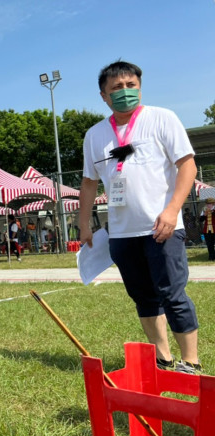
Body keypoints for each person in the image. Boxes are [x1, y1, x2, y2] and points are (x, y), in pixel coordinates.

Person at [79, 60, 201, 374]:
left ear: (140, 87)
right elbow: (89, 182)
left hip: (161, 226)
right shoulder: (95, 135)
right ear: (104, 96)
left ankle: (191, 362)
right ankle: (163, 358)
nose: (125, 92)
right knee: (143, 297)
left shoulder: (162, 119)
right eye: (116, 88)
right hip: (121, 234)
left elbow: (187, 166)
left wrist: (172, 210)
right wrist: (83, 223)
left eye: (130, 85)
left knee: (172, 294)